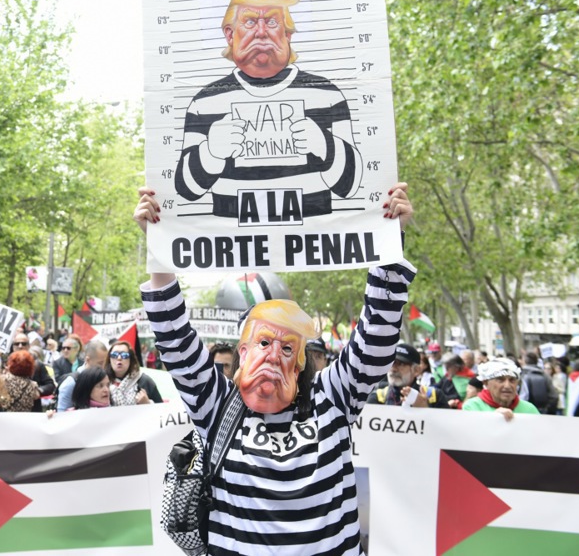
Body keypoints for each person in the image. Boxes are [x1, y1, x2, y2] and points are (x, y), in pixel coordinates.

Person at [135, 182, 415, 554]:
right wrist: (160, 244)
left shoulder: (331, 397)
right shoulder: (216, 405)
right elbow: (175, 341)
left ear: (301, 359)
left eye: (287, 347)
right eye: (264, 343)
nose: (273, 356)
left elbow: (375, 342)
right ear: (243, 350)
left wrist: (389, 238)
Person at [174, 0, 362, 219]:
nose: (261, 32)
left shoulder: (327, 94)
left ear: (288, 34)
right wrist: (210, 153)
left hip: (314, 250)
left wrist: (324, 145)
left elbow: (351, 186)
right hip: (235, 252)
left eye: (272, 22)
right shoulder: (204, 103)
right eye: (250, 22)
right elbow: (186, 190)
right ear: (230, 35)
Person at [367, 344, 445, 408]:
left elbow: (447, 425)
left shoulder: (434, 396)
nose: (393, 369)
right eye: (391, 363)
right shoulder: (377, 397)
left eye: (401, 364)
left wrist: (424, 408)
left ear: (416, 370)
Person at [463, 358, 540, 421]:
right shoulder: (472, 407)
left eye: (512, 380)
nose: (507, 386)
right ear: (486, 383)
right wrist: (493, 419)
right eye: (500, 379)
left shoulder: (529, 409)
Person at [56, 339, 108, 412]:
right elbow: (62, 414)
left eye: (106, 363)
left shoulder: (105, 379)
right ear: (88, 360)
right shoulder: (71, 383)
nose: (103, 367)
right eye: (100, 363)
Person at [104, 341, 163, 406]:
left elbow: (163, 411)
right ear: (109, 359)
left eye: (124, 355)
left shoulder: (145, 381)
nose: (119, 358)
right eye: (114, 355)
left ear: (131, 359)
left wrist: (148, 404)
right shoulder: (102, 382)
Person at [9, 332, 55, 397]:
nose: (20, 346)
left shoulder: (37, 364)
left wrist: (38, 391)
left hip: (31, 404)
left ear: (29, 346)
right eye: (17, 344)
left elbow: (50, 385)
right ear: (13, 346)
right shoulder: (7, 363)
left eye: (23, 344)